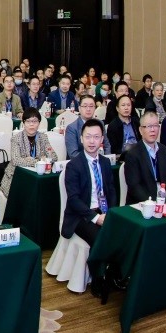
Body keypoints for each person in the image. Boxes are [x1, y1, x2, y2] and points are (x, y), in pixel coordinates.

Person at [61, 118, 118, 289]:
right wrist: (96, 218)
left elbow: (112, 191)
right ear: (81, 139)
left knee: (123, 231)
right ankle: (98, 279)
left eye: (96, 137)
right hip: (81, 215)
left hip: (104, 211)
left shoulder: (105, 162)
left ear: (102, 140)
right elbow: (74, 200)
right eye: (88, 137)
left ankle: (117, 273)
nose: (92, 141)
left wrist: (111, 214)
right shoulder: (74, 165)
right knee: (100, 236)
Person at [122, 111, 166, 204]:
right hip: (142, 203)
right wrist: (152, 203)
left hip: (163, 201)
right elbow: (134, 186)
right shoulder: (132, 154)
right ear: (140, 130)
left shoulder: (164, 150)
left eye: (155, 126)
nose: (153, 130)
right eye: (149, 126)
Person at [8, 108, 56, 194]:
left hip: (37, 175)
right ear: (23, 123)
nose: (31, 124)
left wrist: (30, 160)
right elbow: (16, 161)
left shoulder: (43, 137)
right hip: (17, 176)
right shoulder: (16, 138)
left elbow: (54, 157)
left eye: (35, 121)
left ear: (39, 123)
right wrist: (40, 161)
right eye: (28, 121)